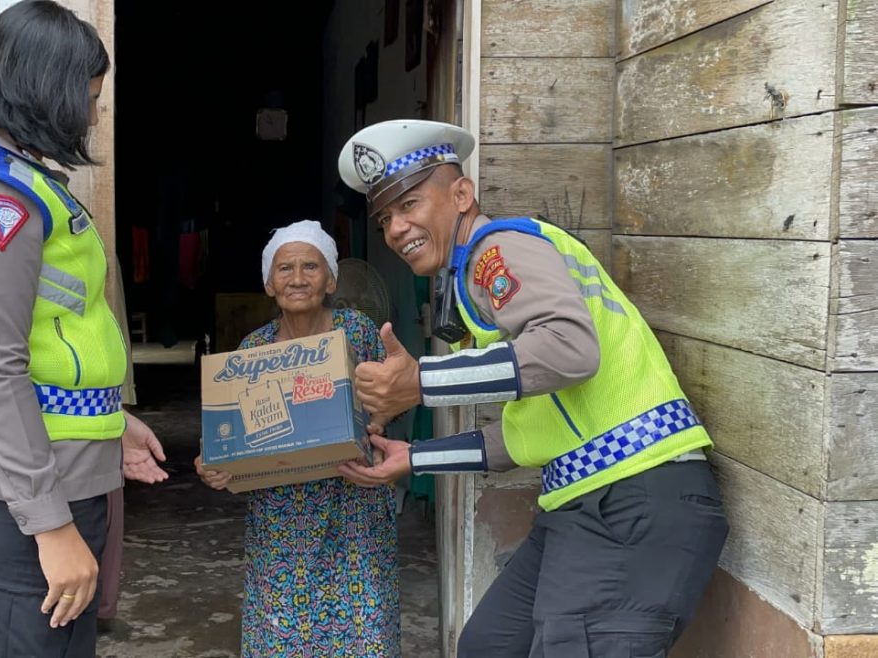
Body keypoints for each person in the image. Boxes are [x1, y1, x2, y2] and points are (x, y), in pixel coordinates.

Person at [334, 120, 729, 657]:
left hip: (634, 497)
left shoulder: (496, 250)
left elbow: (571, 350)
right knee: (489, 645)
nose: (396, 228)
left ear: (461, 194)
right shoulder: (475, 284)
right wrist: (416, 457)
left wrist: (420, 382)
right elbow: (522, 439)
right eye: (385, 218)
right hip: (584, 502)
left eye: (409, 205)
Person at [0, 2, 167, 655]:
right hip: (17, 498)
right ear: (47, 94)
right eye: (89, 98)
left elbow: (58, 338)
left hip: (52, 474)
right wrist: (49, 527)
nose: (95, 115)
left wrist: (110, 417)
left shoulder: (29, 187)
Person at [194, 220, 401, 658]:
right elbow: (239, 436)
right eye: (285, 269)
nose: (298, 278)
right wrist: (214, 464)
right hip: (282, 518)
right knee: (282, 633)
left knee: (363, 628)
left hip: (354, 504)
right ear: (269, 284)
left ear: (331, 280)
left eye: (311, 266)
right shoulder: (254, 349)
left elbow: (393, 397)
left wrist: (380, 418)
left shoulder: (358, 331)